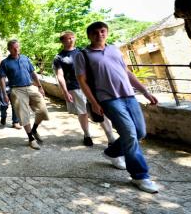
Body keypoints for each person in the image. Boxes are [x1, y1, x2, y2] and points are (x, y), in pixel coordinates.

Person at [75, 22, 160, 193]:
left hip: (128, 95)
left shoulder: (114, 49)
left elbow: (127, 73)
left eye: (102, 31)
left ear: (106, 32)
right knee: (129, 134)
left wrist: (144, 91)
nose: (100, 34)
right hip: (108, 99)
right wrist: (93, 102)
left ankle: (113, 152)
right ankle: (140, 176)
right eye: (95, 32)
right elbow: (82, 81)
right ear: (89, 36)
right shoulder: (83, 55)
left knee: (140, 132)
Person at [53, 31, 116, 146]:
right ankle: (87, 135)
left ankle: (111, 138)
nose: (71, 40)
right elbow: (60, 76)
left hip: (91, 86)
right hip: (75, 87)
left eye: (72, 37)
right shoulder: (59, 57)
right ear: (62, 41)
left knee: (100, 110)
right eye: (68, 38)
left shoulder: (83, 52)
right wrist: (65, 91)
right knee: (82, 112)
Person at [0, 40, 50, 149]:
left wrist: (40, 87)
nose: (16, 50)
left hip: (30, 87)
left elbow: (33, 73)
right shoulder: (5, 62)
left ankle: (34, 129)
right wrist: (4, 94)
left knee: (42, 111)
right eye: (14, 48)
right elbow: (2, 79)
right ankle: (31, 139)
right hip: (17, 90)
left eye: (18, 47)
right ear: (9, 49)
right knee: (24, 115)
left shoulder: (25, 58)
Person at [0, 51, 22, 129]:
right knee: (4, 105)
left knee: (15, 104)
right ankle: (3, 116)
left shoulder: (6, 64)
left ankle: (15, 122)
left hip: (11, 86)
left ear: (0, 56)